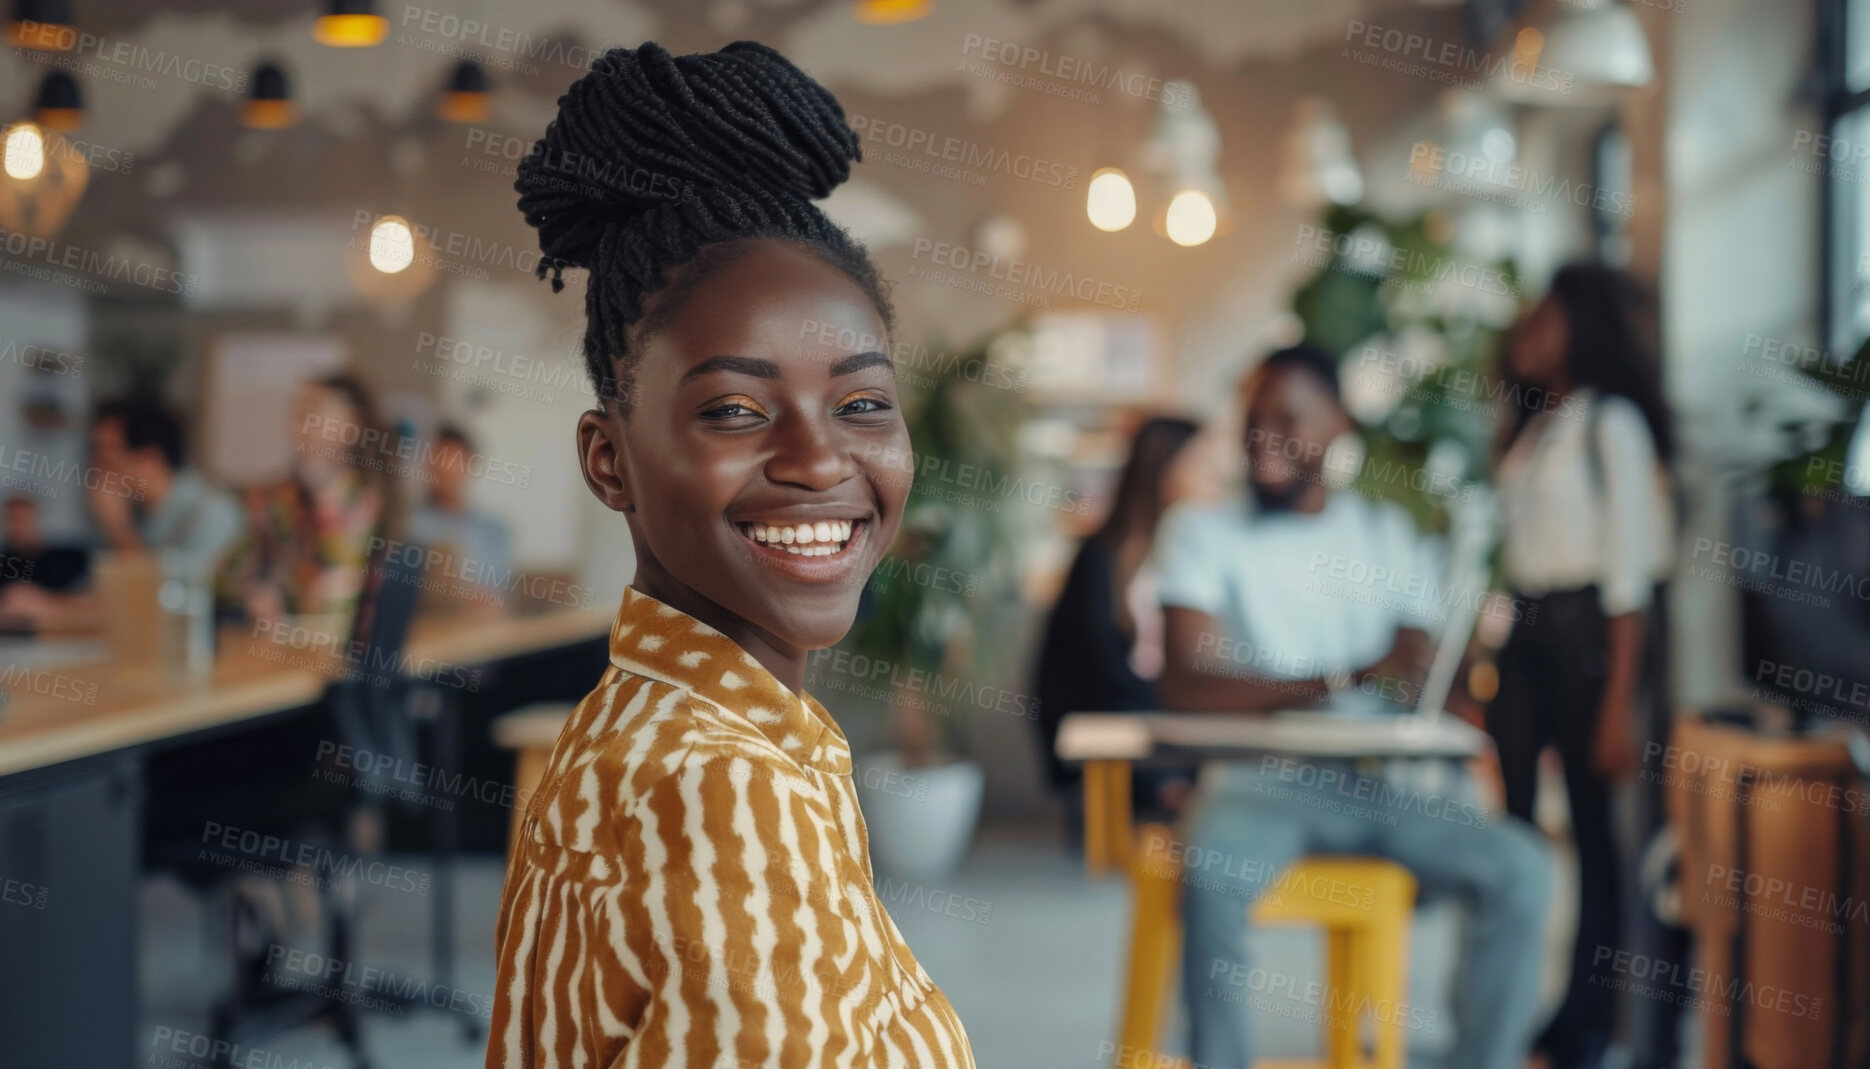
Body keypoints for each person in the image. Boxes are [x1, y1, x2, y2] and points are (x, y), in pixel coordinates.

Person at [487, 42, 973, 1068]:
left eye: (863, 404)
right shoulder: (716, 786)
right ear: (609, 459)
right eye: (735, 409)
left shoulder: (685, 731)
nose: (816, 459)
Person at [1156, 344, 1554, 1069]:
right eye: (1253, 418)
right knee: (1211, 869)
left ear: (1339, 426)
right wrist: (1348, 674)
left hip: (1380, 781)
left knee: (1525, 870)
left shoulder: (1387, 536)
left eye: (1288, 417)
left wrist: (1438, 667)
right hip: (1257, 779)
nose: (1262, 436)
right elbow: (1190, 682)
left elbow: (1428, 672)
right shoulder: (1202, 531)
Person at [1487, 262, 1676, 1069]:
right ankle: (1500, 1011)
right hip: (1526, 633)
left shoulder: (1614, 427)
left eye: (1547, 320)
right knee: (1513, 835)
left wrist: (1617, 706)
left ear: (1583, 327)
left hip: (1593, 637)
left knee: (1596, 841)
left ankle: (1589, 1024)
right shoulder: (1534, 426)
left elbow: (1629, 577)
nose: (1528, 334)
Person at [1034, 416, 1214, 814]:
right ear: (1163, 469)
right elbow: (1100, 676)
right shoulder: (1102, 558)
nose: (1215, 478)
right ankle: (1171, 791)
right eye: (1201, 464)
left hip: (1175, 719)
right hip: (1113, 720)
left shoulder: (1201, 559)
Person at [0, 398, 240, 630]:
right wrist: (41, 603)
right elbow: (106, 597)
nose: (95, 467)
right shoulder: (139, 517)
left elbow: (169, 605)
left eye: (107, 454)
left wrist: (118, 528)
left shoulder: (211, 513)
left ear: (149, 459)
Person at [222, 374, 394, 634]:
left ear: (352, 427)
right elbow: (229, 575)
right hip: (278, 649)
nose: (301, 422)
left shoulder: (368, 502)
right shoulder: (273, 497)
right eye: (297, 411)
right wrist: (252, 594)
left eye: (314, 411)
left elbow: (341, 601)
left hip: (342, 655)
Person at [408, 423, 513, 609]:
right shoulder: (411, 527)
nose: (446, 470)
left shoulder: (494, 529)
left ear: (470, 465)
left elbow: (499, 593)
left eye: (454, 461)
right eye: (438, 460)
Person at [0, 496, 88, 594]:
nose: (17, 527)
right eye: (12, 520)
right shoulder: (4, 562)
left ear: (37, 520)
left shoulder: (69, 558)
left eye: (23, 519)